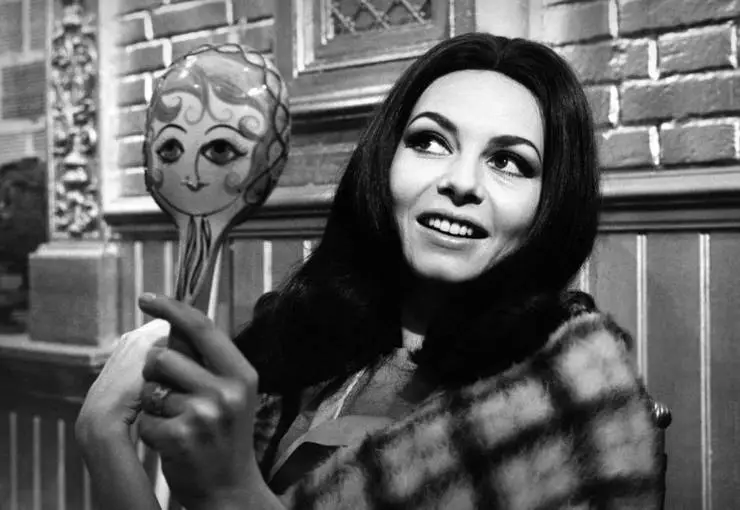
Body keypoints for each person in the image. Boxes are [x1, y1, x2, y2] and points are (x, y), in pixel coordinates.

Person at [76, 33, 664, 509]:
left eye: (509, 161)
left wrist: (234, 492)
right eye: (430, 141)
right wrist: (103, 435)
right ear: (385, 161)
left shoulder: (570, 400)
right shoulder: (299, 342)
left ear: (552, 202)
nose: (460, 182)